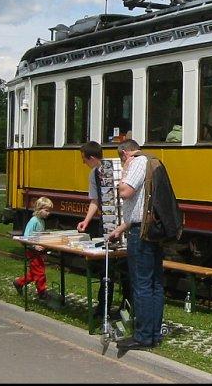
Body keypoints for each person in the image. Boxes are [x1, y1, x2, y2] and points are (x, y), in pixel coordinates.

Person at [108, 139, 165, 350]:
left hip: (141, 234)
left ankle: (142, 336)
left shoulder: (137, 163)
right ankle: (154, 334)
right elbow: (143, 205)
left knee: (141, 284)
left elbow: (126, 192)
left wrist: (124, 173)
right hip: (151, 229)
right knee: (154, 284)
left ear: (124, 153)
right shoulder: (152, 161)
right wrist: (121, 228)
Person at [76, 141, 116, 319]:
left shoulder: (114, 170)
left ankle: (126, 305)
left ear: (92, 158)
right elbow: (95, 201)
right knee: (106, 267)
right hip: (105, 222)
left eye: (84, 159)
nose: (83, 163)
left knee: (121, 268)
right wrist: (86, 221)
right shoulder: (93, 174)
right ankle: (104, 306)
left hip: (118, 223)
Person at [13, 196, 53, 301]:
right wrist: (34, 246)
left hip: (38, 250)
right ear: (39, 209)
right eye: (46, 210)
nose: (48, 213)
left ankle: (19, 282)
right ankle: (42, 292)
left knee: (34, 272)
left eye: (49, 211)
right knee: (40, 272)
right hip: (32, 251)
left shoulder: (42, 221)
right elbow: (26, 237)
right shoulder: (34, 221)